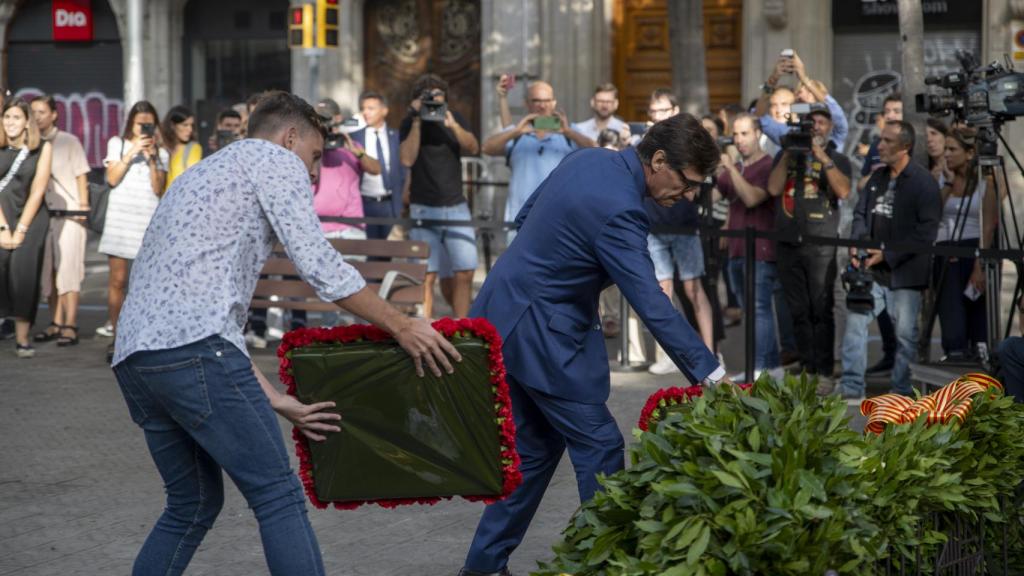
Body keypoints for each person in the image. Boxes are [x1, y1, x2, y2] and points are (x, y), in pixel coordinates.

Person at [112, 91, 461, 576]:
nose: (315, 173)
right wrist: (402, 325)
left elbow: (199, 308)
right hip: (195, 354)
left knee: (189, 506)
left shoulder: (202, 172)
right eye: (315, 156)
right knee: (278, 496)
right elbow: (319, 265)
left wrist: (273, 397)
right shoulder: (275, 160)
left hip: (135, 359)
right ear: (290, 136)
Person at [459, 113, 728, 576]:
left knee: (535, 451)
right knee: (600, 444)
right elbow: (652, 303)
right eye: (687, 183)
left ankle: (482, 568)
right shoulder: (622, 208)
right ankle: (611, 566)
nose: (687, 195)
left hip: (505, 314)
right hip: (542, 333)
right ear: (659, 159)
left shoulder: (588, 159)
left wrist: (566, 267)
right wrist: (712, 374)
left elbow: (527, 216)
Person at [838, 121, 941, 401]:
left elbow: (927, 232)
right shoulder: (877, 178)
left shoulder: (923, 183)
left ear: (905, 146)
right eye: (880, 140)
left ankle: (901, 393)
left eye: (887, 141)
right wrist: (858, 247)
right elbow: (860, 214)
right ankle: (851, 388)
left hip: (906, 274)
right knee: (856, 326)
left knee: (907, 337)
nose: (879, 146)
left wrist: (888, 254)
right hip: (871, 273)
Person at [767, 106, 852, 390]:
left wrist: (821, 156)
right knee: (798, 310)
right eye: (810, 122)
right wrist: (790, 152)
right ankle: (807, 368)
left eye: (820, 122)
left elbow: (843, 191)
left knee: (821, 308)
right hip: (788, 242)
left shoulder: (837, 158)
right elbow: (773, 188)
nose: (814, 127)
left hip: (822, 243)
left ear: (829, 127)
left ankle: (825, 370)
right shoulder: (785, 154)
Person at [642, 91, 715, 375]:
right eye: (654, 110)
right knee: (663, 290)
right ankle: (667, 355)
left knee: (694, 289)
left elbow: (702, 176)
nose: (658, 115)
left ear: (674, 108)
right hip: (654, 225)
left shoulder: (687, 139)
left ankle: (710, 353)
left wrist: (690, 189)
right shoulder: (646, 143)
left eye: (663, 109)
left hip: (684, 225)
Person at [399, 74, 480, 319]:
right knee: (426, 274)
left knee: (465, 269)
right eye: (428, 98)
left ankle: (463, 326)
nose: (433, 102)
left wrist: (453, 125)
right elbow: (406, 159)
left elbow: (473, 147)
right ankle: (427, 326)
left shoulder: (454, 118)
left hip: (455, 205)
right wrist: (416, 120)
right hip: (423, 206)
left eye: (438, 97)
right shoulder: (410, 122)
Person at [482, 80, 593, 242]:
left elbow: (595, 148)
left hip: (559, 219)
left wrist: (568, 132)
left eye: (547, 101)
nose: (542, 106)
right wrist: (517, 131)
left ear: (554, 102)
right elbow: (487, 148)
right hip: (520, 219)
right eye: (536, 101)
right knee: (517, 267)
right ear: (526, 104)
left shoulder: (570, 133)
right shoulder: (518, 133)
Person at [100, 101, 168, 362]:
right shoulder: (116, 144)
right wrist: (131, 153)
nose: (144, 128)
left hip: (146, 224)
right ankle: (117, 337)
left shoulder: (161, 152)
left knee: (144, 285)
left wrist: (151, 158)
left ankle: (140, 337)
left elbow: (158, 188)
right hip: (120, 222)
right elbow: (111, 179)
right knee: (117, 281)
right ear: (131, 123)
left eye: (149, 123)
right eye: (140, 123)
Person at [718, 113, 782, 380]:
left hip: (760, 249)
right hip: (736, 248)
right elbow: (720, 193)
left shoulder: (767, 166)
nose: (739, 140)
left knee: (760, 309)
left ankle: (761, 367)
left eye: (745, 134)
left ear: (758, 134)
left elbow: (753, 198)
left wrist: (731, 168)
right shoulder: (739, 166)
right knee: (749, 310)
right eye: (736, 134)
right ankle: (767, 366)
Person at [932, 126, 997, 362]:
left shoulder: (986, 182)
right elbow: (931, 215)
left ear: (970, 153)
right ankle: (953, 355)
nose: (946, 154)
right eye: (945, 148)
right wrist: (947, 184)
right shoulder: (941, 177)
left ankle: (977, 358)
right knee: (951, 315)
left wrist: (979, 265)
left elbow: (988, 226)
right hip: (944, 250)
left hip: (972, 250)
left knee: (975, 311)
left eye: (952, 149)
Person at [30, 95, 90, 348]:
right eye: (33, 112)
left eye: (42, 111)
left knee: (69, 272)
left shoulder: (68, 141)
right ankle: (55, 322)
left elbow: (81, 175)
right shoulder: (31, 144)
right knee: (50, 273)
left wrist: (83, 209)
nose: (37, 116)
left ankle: (70, 325)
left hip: (71, 215)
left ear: (54, 114)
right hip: (45, 217)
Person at [0, 98, 53, 358]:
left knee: (24, 276)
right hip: (1, 215)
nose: (10, 122)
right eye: (6, 117)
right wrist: (3, 229)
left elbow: (38, 189)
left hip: (31, 219)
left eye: (16, 117)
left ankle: (22, 338)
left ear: (26, 122)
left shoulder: (42, 147)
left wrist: (20, 229)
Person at [757, 52, 849, 150]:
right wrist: (774, 78)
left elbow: (835, 112)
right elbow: (759, 117)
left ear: (830, 125)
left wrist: (805, 79)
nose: (816, 127)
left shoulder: (835, 138)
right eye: (812, 122)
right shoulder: (792, 136)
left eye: (821, 122)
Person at [314, 107, 381, 240]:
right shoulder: (310, 149)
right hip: (317, 227)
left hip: (351, 228)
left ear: (337, 121)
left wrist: (357, 152)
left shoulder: (352, 146)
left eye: (327, 121)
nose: (325, 127)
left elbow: (376, 169)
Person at [352, 91, 405, 240]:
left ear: (384, 111)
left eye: (371, 108)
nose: (365, 113)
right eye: (363, 108)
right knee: (368, 252)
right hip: (364, 204)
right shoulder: (354, 137)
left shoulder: (397, 137)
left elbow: (403, 171)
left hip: (391, 204)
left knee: (389, 253)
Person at [161, 105, 202, 191]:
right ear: (172, 125)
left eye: (191, 125)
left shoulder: (193, 148)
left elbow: (192, 178)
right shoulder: (161, 148)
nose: (190, 129)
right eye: (185, 125)